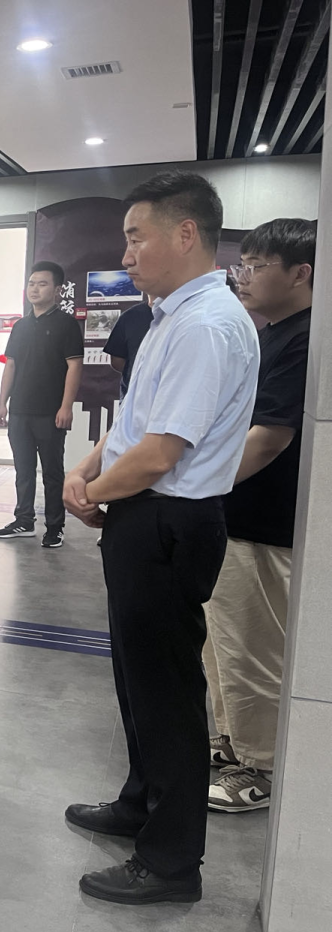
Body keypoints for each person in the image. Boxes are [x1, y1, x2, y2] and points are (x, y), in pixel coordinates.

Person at [62, 172, 259, 904]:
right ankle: (141, 800)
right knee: (137, 675)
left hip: (168, 519)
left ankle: (172, 862)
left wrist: (92, 491)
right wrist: (89, 469)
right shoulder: (170, 316)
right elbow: (134, 426)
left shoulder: (206, 325)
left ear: (185, 233)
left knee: (168, 689)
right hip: (140, 512)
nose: (126, 254)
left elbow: (160, 454)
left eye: (136, 237)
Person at [202, 218, 315, 812]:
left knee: (253, 647)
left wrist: (197, 486)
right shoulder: (271, 333)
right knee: (224, 644)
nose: (241, 277)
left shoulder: (306, 339)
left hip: (265, 523)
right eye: (240, 265)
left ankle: (261, 767)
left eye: (256, 266)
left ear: (302, 273)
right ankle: (232, 742)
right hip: (238, 514)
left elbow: (269, 438)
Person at [0, 261, 84, 548]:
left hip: (50, 412)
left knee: (52, 472)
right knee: (23, 470)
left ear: (57, 290)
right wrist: (2, 403)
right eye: (31, 283)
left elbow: (74, 366)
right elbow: (10, 365)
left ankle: (55, 527)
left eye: (42, 284)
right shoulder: (20, 326)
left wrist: (66, 407)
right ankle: (23, 520)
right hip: (20, 410)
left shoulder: (66, 324)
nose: (34, 289)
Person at [102, 299, 153, 399]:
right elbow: (117, 360)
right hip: (133, 394)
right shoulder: (130, 316)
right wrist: (136, 372)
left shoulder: (183, 315)